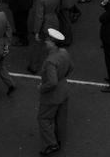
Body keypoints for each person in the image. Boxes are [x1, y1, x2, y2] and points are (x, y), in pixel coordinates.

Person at [37, 28, 73, 156]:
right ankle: (60, 139)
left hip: (52, 95)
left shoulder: (50, 60)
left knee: (44, 118)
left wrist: (42, 87)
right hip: (64, 90)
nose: (46, 42)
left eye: (48, 40)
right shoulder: (64, 52)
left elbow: (52, 82)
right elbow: (71, 67)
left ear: (53, 43)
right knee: (60, 117)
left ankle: (52, 144)